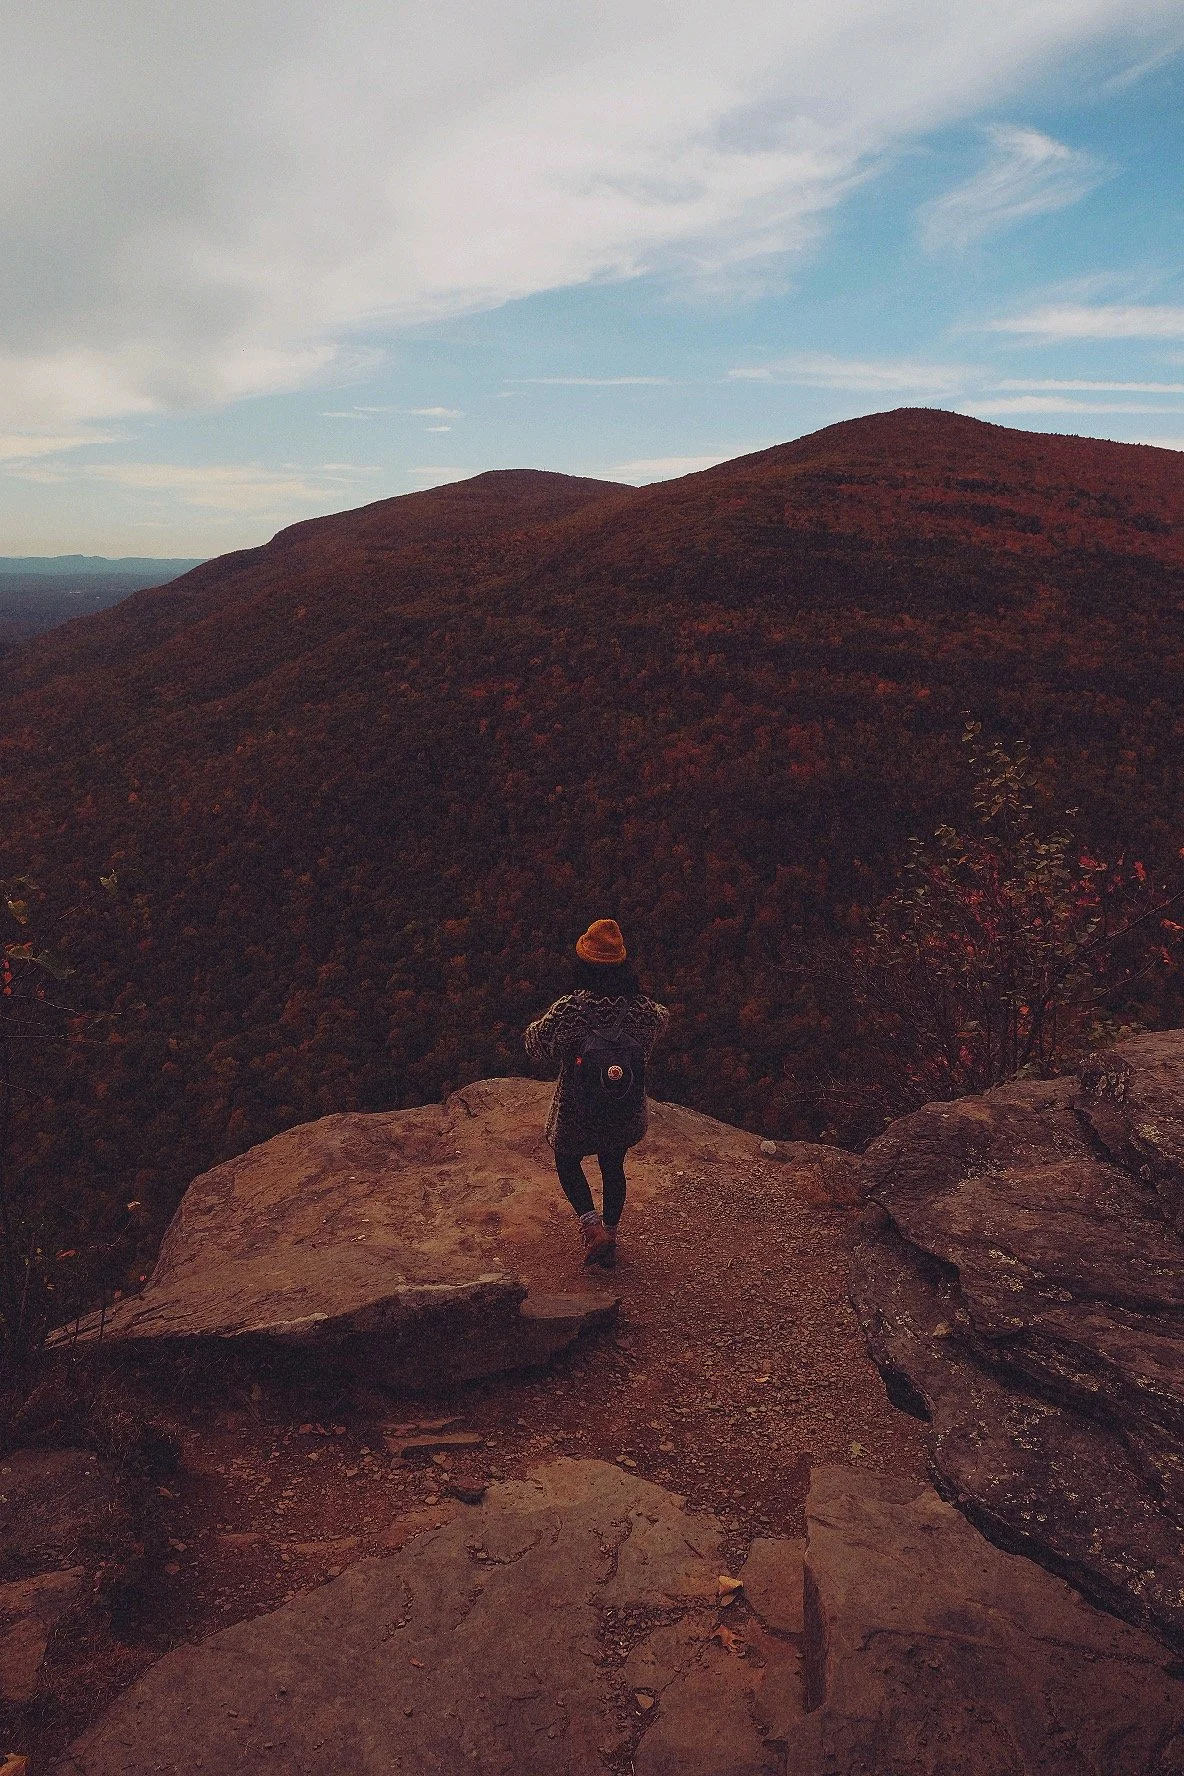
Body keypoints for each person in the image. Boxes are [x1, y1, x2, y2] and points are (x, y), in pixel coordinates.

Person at [524, 919, 670, 1267]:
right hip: (623, 1109)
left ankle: (592, 1227)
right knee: (613, 1165)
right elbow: (664, 1021)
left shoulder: (570, 1009)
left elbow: (535, 1045)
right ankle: (612, 1234)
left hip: (578, 1112)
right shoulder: (642, 1009)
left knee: (566, 1158)